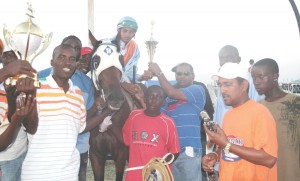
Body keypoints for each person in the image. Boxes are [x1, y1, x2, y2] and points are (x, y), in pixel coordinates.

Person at [21, 44, 112, 181]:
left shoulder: (77, 93)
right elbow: (29, 128)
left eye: (72, 59)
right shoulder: (36, 88)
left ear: (76, 64)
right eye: (61, 57)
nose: (67, 62)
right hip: (38, 172)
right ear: (52, 62)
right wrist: (30, 96)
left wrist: (107, 111)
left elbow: (81, 127)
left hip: (69, 173)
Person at [202, 62, 278, 181]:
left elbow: (269, 158)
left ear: (243, 85)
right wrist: (215, 155)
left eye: (227, 84)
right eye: (220, 85)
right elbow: (225, 147)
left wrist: (227, 145)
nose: (222, 90)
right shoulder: (228, 115)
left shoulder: (260, 113)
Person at [38, 36, 97, 181]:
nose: (74, 51)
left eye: (77, 49)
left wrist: (100, 108)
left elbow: (87, 117)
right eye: (69, 47)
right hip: (47, 150)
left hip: (79, 148)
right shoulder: (41, 76)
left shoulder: (87, 82)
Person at [145, 62, 206, 181]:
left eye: (186, 73)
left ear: (193, 76)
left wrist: (158, 72)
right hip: (170, 153)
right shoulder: (168, 99)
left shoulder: (197, 90)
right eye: (178, 73)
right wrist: (140, 86)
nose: (182, 76)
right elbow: (155, 114)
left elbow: (171, 91)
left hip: (189, 152)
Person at [251, 58, 300, 181]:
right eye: (254, 78)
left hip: (291, 172)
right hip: (266, 174)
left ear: (275, 76)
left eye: (261, 77)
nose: (256, 82)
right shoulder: (257, 108)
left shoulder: (295, 103)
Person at [122, 85, 180, 181]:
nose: (154, 100)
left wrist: (158, 167)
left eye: (159, 97)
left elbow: (175, 152)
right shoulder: (134, 116)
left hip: (157, 176)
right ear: (144, 99)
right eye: (150, 96)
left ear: (163, 101)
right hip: (134, 174)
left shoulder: (168, 123)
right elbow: (127, 140)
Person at [0, 46, 36, 181]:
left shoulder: (24, 82)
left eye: (13, 54)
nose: (9, 57)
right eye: (6, 54)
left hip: (17, 154)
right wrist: (6, 71)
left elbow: (31, 127)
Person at [111, 16, 141, 83]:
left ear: (134, 34)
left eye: (131, 32)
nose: (127, 35)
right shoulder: (109, 44)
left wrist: (141, 77)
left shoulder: (135, 47)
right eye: (125, 31)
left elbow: (130, 73)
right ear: (119, 31)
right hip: (110, 82)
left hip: (127, 81)